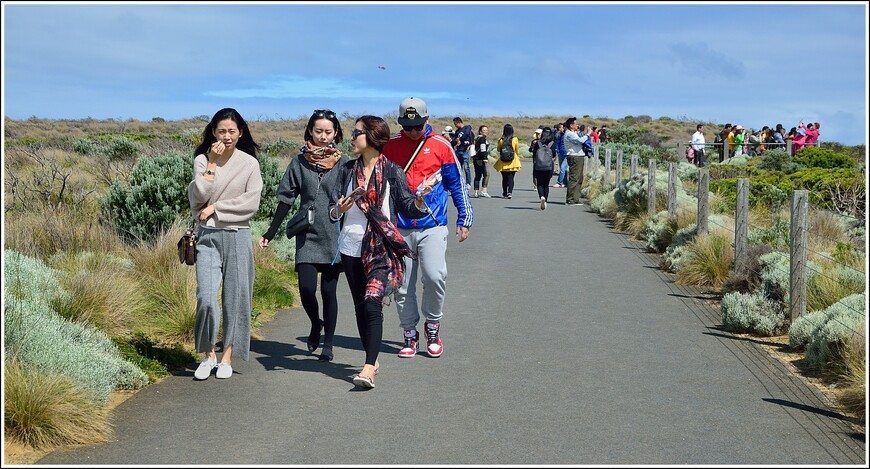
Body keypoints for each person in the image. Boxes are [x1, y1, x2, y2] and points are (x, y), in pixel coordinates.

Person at [329, 115, 433, 388]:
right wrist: (339, 209)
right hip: (351, 246)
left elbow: (408, 206)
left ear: (372, 137)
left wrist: (420, 198)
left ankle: (367, 369)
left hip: (381, 248)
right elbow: (334, 210)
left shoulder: (391, 171)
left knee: (373, 301)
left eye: (357, 132)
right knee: (361, 306)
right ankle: (372, 357)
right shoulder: (346, 170)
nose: (351, 137)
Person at [382, 97, 473, 359]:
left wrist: (464, 219)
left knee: (435, 276)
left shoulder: (442, 146)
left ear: (427, 120)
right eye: (407, 126)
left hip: (432, 224)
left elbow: (457, 184)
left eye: (417, 126)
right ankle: (409, 334)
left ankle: (433, 326)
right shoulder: (390, 147)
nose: (412, 131)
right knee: (402, 284)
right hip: (399, 227)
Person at [258, 109, 348, 362]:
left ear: (336, 133)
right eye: (318, 131)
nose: (323, 136)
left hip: (334, 233)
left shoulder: (344, 162)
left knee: (329, 292)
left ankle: (328, 344)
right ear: (309, 131)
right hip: (307, 233)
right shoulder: (299, 162)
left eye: (328, 132)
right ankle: (315, 323)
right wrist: (270, 232)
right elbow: (286, 198)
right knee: (307, 290)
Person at [188, 108, 263, 380]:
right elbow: (198, 196)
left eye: (232, 131)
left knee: (236, 298)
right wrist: (212, 163)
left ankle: (227, 356)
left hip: (237, 235)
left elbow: (251, 203)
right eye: (221, 131)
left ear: (240, 132)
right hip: (207, 237)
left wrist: (217, 207)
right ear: (213, 133)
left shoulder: (249, 164)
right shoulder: (202, 160)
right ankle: (208, 354)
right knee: (206, 298)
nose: (227, 136)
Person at [563, 117, 590, 206]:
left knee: (579, 178)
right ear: (571, 125)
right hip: (574, 156)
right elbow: (580, 141)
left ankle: (576, 198)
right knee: (574, 177)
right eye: (576, 124)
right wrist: (588, 134)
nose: (577, 125)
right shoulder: (569, 134)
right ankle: (570, 199)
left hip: (579, 156)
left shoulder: (573, 133)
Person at [530, 127, 555, 210]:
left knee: (540, 183)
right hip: (549, 166)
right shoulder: (552, 143)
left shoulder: (538, 143)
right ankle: (546, 200)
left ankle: (541, 197)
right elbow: (554, 154)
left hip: (538, 166)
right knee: (546, 184)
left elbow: (534, 154)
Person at [494, 123, 522, 199]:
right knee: (511, 178)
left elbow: (498, 149)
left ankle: (504, 192)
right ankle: (510, 192)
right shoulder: (515, 139)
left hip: (503, 161)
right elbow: (517, 150)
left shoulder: (501, 140)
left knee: (504, 178)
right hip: (513, 161)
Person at [452, 117, 474, 189]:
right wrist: (456, 141)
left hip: (465, 150)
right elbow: (454, 140)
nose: (455, 126)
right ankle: (460, 182)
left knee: (466, 167)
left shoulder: (467, 128)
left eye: (456, 124)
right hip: (458, 150)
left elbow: (467, 134)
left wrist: (460, 139)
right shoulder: (457, 131)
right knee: (459, 168)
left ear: (459, 122)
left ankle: (468, 183)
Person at [472, 124, 492, 198]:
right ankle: (484, 190)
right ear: (480, 132)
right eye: (484, 130)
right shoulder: (482, 139)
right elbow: (483, 148)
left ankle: (476, 192)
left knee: (477, 175)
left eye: (487, 130)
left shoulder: (477, 139)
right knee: (486, 174)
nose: (486, 131)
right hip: (481, 159)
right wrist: (485, 158)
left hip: (475, 158)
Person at [553, 122, 568, 188]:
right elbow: (557, 143)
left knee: (562, 168)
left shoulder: (568, 134)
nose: (561, 128)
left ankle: (559, 182)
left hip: (567, 154)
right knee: (563, 169)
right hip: (560, 153)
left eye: (562, 127)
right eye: (560, 127)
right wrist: (557, 150)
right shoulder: (560, 135)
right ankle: (565, 182)